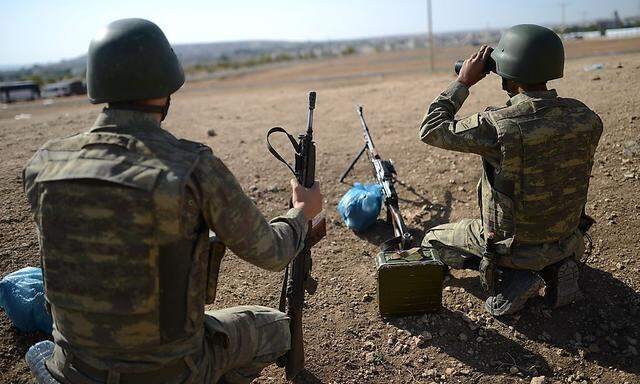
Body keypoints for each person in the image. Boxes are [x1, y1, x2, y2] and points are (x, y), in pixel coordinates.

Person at [23, 18, 323, 384]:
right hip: (169, 373)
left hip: (74, 369)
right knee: (275, 327)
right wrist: (302, 211)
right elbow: (273, 252)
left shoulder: (45, 164)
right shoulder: (193, 167)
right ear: (165, 84)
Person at [419, 24, 602, 317]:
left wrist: (463, 81)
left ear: (508, 71)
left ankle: (511, 279)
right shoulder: (586, 118)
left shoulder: (498, 126)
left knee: (433, 238)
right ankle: (557, 267)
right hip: (568, 240)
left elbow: (430, 130)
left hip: (511, 248)